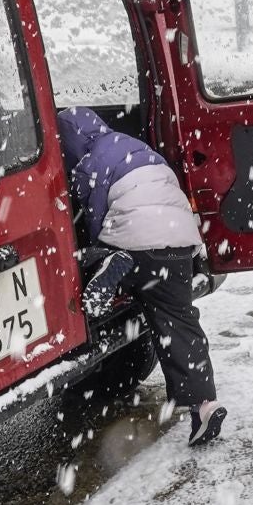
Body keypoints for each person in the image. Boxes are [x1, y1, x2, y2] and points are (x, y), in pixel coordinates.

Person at [55, 107, 226, 446]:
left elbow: (95, 215)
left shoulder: (87, 162)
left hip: (137, 242)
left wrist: (96, 246)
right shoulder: (136, 146)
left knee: (85, 254)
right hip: (179, 240)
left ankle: (113, 267)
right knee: (179, 320)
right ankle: (205, 405)